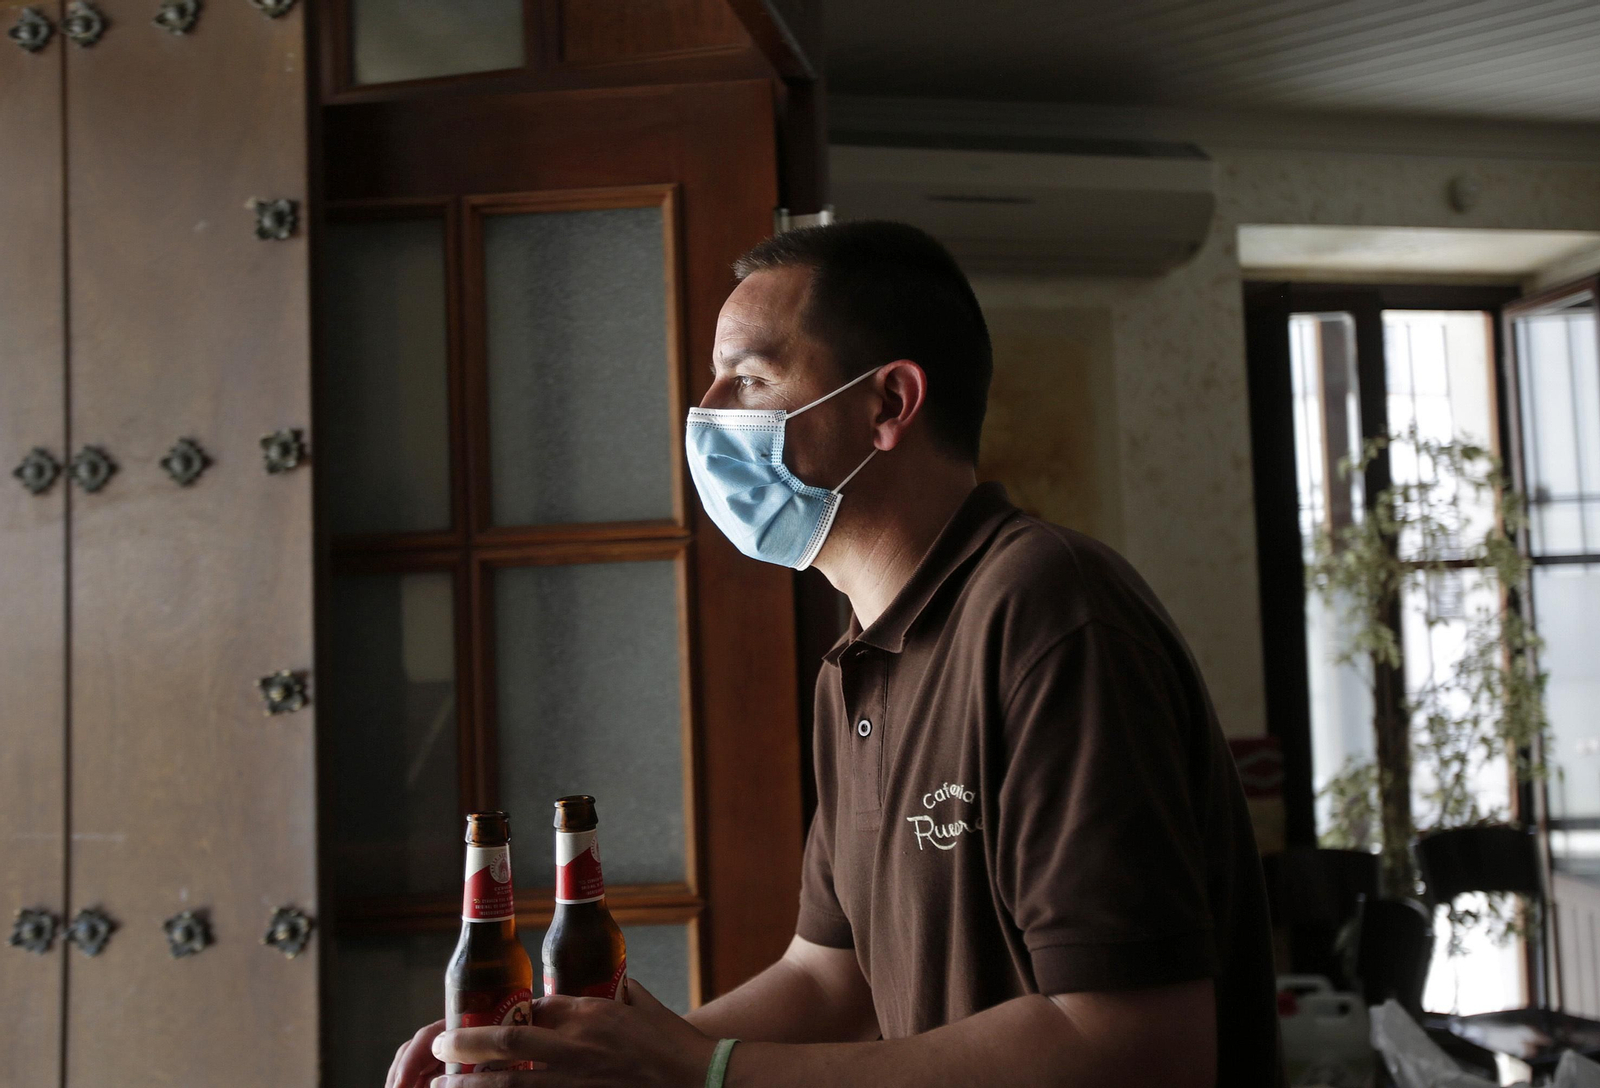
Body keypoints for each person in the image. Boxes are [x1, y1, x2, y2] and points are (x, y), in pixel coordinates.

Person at [389, 221, 1284, 1087]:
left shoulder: (1048, 611)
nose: (704, 418)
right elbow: (831, 979)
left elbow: (1138, 1049)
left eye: (748, 379)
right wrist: (584, 1059)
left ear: (887, 403)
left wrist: (699, 1073)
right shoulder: (854, 664)